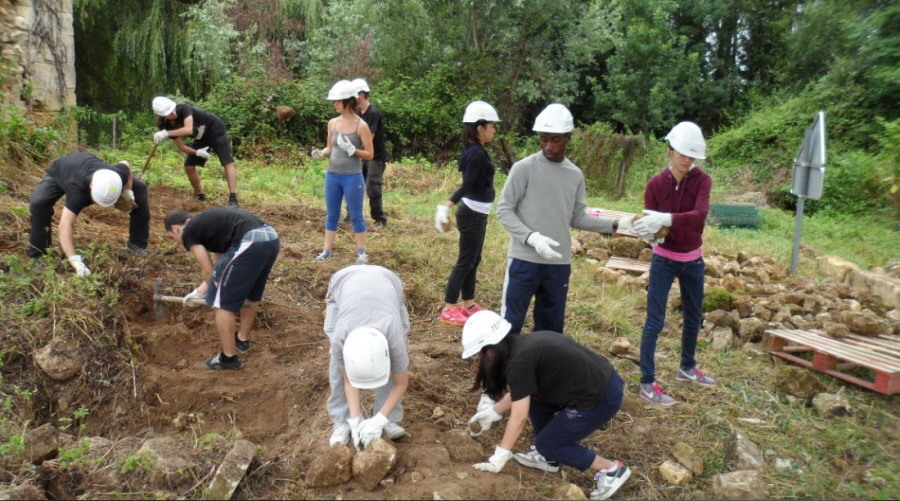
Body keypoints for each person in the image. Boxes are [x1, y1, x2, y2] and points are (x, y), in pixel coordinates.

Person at [462, 310, 630, 501]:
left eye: (479, 355)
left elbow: (519, 416)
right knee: (534, 398)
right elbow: (521, 392)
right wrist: (493, 412)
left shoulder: (519, 361)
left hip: (599, 398)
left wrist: (501, 453)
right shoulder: (520, 348)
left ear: (490, 351)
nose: (479, 361)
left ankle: (611, 469)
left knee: (547, 444)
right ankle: (549, 458)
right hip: (598, 383)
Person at [496, 103, 633, 336]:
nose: (548, 146)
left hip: (557, 265)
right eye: (543, 139)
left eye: (555, 140)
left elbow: (577, 217)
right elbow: (504, 210)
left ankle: (545, 370)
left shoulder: (574, 175)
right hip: (524, 260)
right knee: (510, 324)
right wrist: (531, 238)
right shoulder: (524, 168)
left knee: (550, 329)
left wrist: (616, 224)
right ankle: (504, 371)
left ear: (568, 138)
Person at [632, 121, 716, 406]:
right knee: (654, 321)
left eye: (692, 156)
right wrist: (650, 234)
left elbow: (700, 214)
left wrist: (668, 219)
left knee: (694, 316)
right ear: (669, 150)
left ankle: (687, 368)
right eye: (682, 153)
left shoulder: (702, 181)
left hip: (693, 260)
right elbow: (647, 224)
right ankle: (647, 382)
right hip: (664, 260)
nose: (687, 160)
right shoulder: (655, 185)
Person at [163, 207, 280, 370]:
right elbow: (220, 267)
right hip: (271, 238)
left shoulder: (189, 232)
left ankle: (228, 358)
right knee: (251, 296)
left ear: (176, 228)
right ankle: (242, 340)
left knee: (222, 304)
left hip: (251, 241)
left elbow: (208, 270)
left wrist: (211, 294)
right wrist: (200, 291)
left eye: (172, 237)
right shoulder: (208, 226)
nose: (176, 242)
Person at [323, 265, 410, 447]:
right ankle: (342, 420)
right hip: (343, 281)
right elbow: (348, 380)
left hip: (388, 283)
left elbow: (401, 382)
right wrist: (355, 419)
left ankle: (388, 419)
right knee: (335, 364)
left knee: (395, 363)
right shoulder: (341, 337)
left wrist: (379, 419)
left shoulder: (393, 336)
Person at [27, 152, 150, 274]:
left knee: (139, 188)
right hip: (62, 170)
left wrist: (128, 191)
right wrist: (74, 260)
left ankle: (136, 244)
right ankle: (39, 255)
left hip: (87, 163)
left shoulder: (117, 175)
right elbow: (65, 224)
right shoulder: (78, 192)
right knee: (39, 204)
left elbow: (125, 164)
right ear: (91, 186)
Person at [435, 101, 500, 327]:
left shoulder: (476, 151)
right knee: (465, 261)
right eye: (492, 125)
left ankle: (469, 303)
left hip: (478, 212)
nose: (494, 129)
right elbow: (468, 184)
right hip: (471, 213)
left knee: (474, 259)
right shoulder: (476, 154)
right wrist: (448, 204)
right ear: (480, 127)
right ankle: (449, 307)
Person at [310, 80, 374, 264]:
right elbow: (330, 148)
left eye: (338, 100)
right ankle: (327, 251)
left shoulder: (361, 126)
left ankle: (361, 253)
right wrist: (320, 153)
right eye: (334, 101)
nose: (335, 104)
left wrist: (353, 150)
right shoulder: (332, 123)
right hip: (333, 175)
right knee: (332, 214)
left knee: (356, 214)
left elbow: (370, 154)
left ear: (349, 101)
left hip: (352, 176)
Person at [152, 96, 240, 207]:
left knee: (227, 161)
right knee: (189, 166)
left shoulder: (184, 109)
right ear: (162, 115)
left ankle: (233, 198)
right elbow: (182, 147)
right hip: (200, 136)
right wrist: (197, 153)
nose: (173, 113)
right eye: (169, 113)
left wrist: (166, 133)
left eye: (173, 109)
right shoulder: (165, 126)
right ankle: (200, 197)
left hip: (215, 128)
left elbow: (188, 129)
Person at [352, 78, 389, 228]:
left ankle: (379, 218)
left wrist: (354, 149)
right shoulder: (358, 113)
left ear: (361, 95)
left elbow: (369, 137)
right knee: (355, 185)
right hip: (362, 154)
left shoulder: (373, 113)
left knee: (372, 188)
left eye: (353, 96)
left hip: (375, 156)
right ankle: (352, 215)